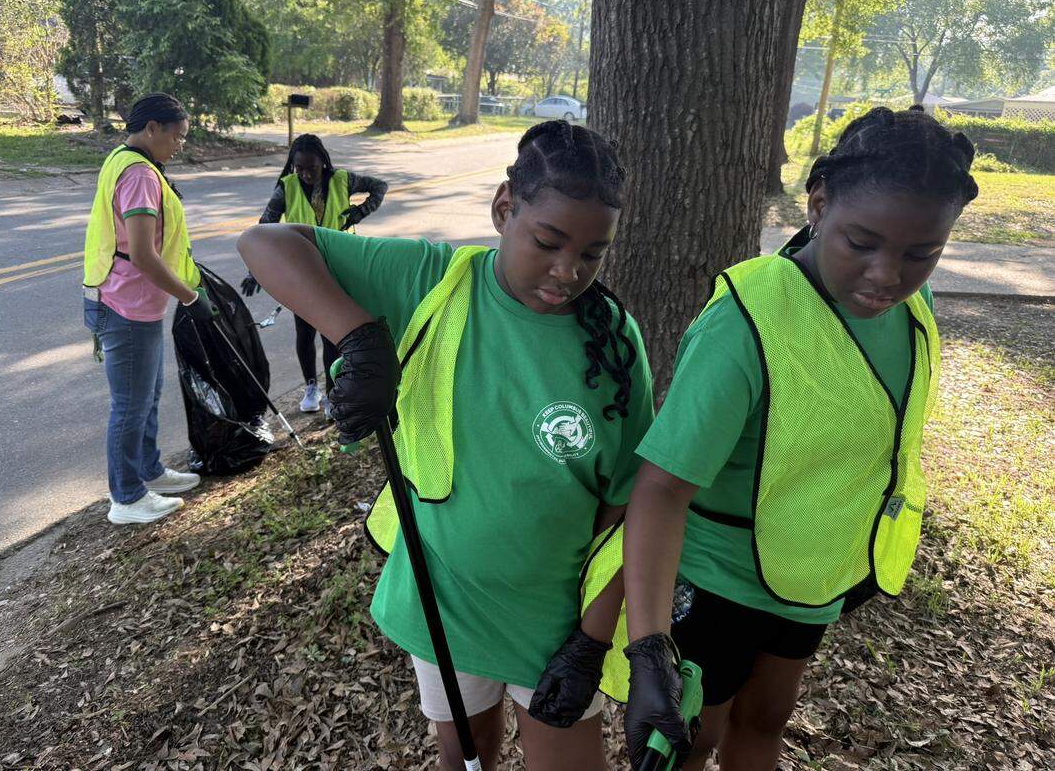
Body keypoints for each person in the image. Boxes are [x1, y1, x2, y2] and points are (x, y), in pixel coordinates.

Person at [238, 121, 654, 770]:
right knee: (464, 755)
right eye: (548, 240)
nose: (567, 270)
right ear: (503, 208)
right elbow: (263, 241)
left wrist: (591, 641)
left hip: (555, 623)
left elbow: (628, 508)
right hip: (445, 604)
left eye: (593, 253)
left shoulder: (615, 342)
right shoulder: (432, 281)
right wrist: (358, 336)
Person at [620, 106, 980, 770]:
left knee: (766, 717)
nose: (888, 275)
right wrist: (649, 649)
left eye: (920, 254)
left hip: (807, 578)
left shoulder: (910, 312)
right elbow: (662, 489)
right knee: (691, 737)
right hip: (718, 584)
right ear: (816, 204)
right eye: (862, 242)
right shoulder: (746, 323)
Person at [82, 92, 219, 525]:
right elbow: (142, 253)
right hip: (124, 306)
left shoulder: (124, 160)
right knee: (130, 405)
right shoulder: (139, 174)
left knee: (146, 396)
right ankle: (126, 499)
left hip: (130, 303)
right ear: (152, 129)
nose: (180, 145)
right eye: (176, 136)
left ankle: (149, 471)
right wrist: (190, 296)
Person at [239, 133, 388, 418]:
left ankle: (333, 392)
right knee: (304, 331)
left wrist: (360, 212)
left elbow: (380, 187)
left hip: (339, 265)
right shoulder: (287, 188)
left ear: (324, 163)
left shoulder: (342, 180)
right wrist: (254, 271)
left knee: (334, 334)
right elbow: (264, 227)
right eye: (300, 169)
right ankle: (311, 388)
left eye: (312, 168)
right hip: (301, 270)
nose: (306, 174)